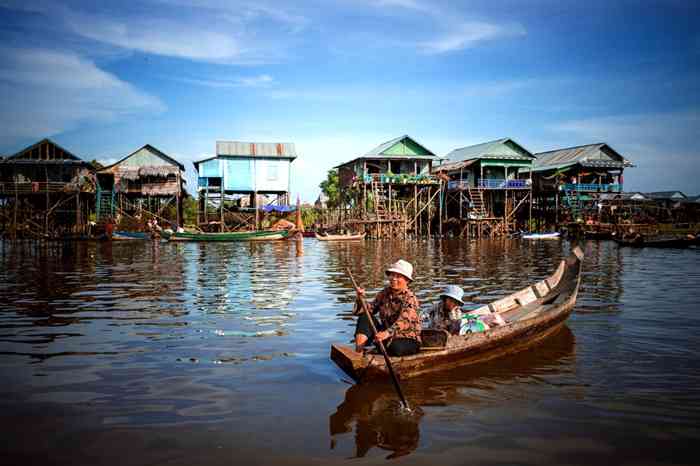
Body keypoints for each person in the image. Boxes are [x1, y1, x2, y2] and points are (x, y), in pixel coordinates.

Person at [353, 259, 421, 357]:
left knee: (395, 347)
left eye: (398, 276)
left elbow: (404, 321)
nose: (393, 278)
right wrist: (360, 299)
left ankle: (382, 349)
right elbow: (368, 310)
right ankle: (358, 354)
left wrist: (387, 333)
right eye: (392, 275)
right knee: (365, 317)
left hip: (407, 338)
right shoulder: (384, 293)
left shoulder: (410, 298)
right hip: (385, 336)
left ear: (407, 280)